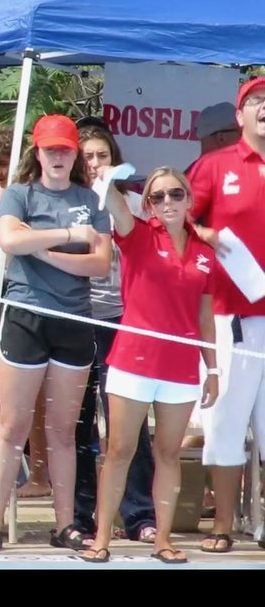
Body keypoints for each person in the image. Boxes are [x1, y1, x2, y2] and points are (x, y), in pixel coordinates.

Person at [0, 114, 112, 554]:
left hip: (74, 319)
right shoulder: (20, 193)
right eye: (50, 149)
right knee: (13, 426)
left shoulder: (90, 199)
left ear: (74, 154)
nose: (57, 156)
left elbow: (100, 264)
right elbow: (10, 240)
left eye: (65, 149)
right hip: (25, 315)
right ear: (38, 152)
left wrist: (44, 249)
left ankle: (66, 523)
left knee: (63, 432)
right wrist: (70, 235)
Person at [77, 166, 219, 564]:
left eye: (176, 194)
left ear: (189, 200)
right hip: (133, 362)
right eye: (158, 196)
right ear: (149, 205)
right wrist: (106, 179)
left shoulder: (205, 254)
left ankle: (163, 539)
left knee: (169, 454)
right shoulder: (138, 234)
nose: (167, 202)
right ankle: (101, 538)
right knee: (119, 451)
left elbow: (205, 316)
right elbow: (113, 204)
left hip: (181, 368)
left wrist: (213, 369)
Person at [187, 76, 265, 554]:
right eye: (255, 101)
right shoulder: (215, 165)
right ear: (239, 116)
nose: (264, 107)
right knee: (226, 423)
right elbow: (176, 218)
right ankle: (222, 525)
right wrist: (208, 236)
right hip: (229, 313)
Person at [71, 126, 157, 543]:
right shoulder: (69, 202)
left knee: (128, 424)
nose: (93, 164)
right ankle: (81, 516)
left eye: (101, 156)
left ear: (114, 159)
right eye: (86, 156)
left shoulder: (136, 204)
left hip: (124, 321)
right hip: (76, 318)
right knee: (78, 421)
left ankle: (139, 514)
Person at [187, 101, 239, 173]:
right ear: (221, 138)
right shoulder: (231, 174)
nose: (244, 136)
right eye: (240, 131)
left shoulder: (190, 175)